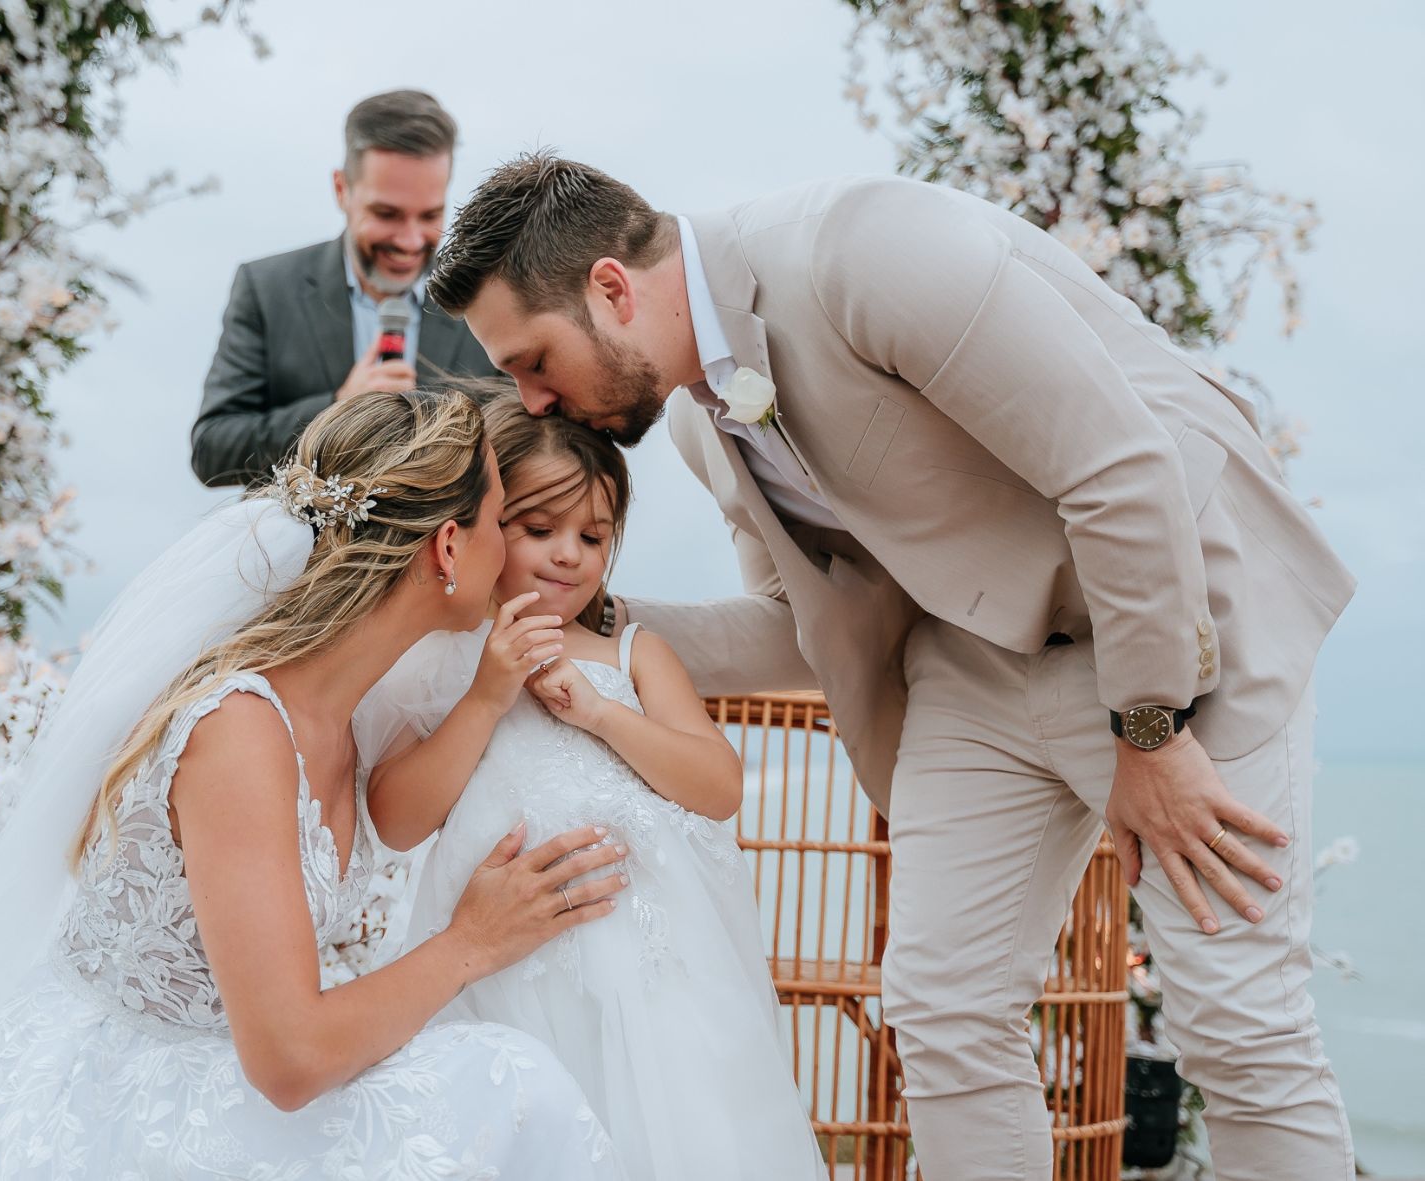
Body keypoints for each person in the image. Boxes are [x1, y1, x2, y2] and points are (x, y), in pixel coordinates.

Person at [428, 152, 1358, 1181]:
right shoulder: (701, 425)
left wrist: (1150, 723)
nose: (532, 400)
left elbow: (1117, 468)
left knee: (1237, 1026)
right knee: (943, 1008)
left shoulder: (862, 249)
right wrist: (576, 623)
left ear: (609, 288)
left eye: (531, 359)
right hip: (979, 660)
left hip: (1186, 616)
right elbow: (797, 627)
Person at [0, 389, 629, 1179]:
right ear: (448, 548)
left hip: (226, 1063)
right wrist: (472, 941)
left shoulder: (359, 706)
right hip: (132, 1106)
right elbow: (292, 1057)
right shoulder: (240, 732)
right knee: (510, 1081)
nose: (514, 553)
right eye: (496, 519)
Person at [356, 391, 825, 1180]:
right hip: (509, 976)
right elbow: (398, 820)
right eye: (539, 530)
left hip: (656, 978)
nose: (569, 553)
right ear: (475, 526)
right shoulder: (440, 658)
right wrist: (486, 694)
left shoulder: (636, 653)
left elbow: (716, 785)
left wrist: (602, 715)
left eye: (593, 535)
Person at [190, 90, 500, 487]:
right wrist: (337, 409)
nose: (410, 240)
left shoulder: (483, 296)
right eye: (387, 214)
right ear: (342, 190)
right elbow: (212, 451)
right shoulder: (266, 290)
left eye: (430, 215)